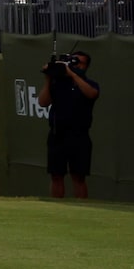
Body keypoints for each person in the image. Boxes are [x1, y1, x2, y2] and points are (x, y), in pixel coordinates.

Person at [37, 48, 99, 199]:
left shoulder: (90, 84)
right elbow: (43, 102)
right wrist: (48, 79)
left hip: (79, 135)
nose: (75, 65)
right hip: (57, 134)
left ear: (86, 66)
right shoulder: (58, 83)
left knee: (78, 177)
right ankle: (57, 206)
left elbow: (92, 94)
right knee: (56, 175)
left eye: (79, 63)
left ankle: (82, 208)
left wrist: (72, 74)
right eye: (72, 62)